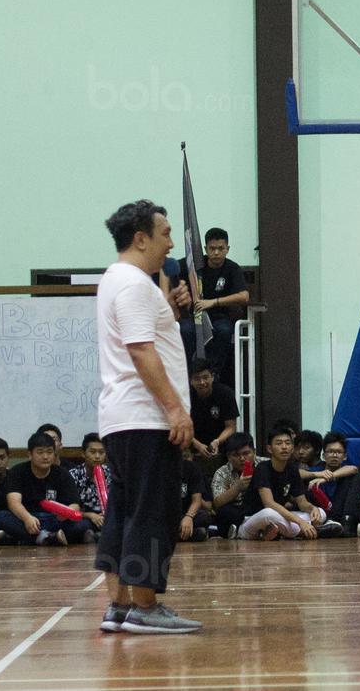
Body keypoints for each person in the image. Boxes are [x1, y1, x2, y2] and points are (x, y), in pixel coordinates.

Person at [93, 199, 200, 634]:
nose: (171, 242)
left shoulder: (118, 280)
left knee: (123, 511)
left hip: (123, 420)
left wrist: (170, 308)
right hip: (146, 419)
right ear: (141, 238)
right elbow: (140, 349)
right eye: (164, 233)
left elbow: (146, 335)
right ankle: (145, 606)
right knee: (152, 512)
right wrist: (175, 408)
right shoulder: (133, 285)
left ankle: (118, 606)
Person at [238, 427, 340, 540]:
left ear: (292, 448)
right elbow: (269, 504)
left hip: (280, 517)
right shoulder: (262, 468)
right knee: (269, 514)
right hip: (253, 520)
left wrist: (312, 509)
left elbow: (302, 502)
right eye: (279, 443)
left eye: (288, 443)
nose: (284, 447)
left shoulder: (292, 469)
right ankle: (312, 531)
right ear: (269, 448)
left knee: (320, 513)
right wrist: (301, 522)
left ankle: (279, 533)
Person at [0, 432, 93, 546]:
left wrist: (67, 512)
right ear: (30, 454)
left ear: (54, 453)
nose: (45, 457)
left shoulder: (62, 474)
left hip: (54, 519)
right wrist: (27, 518)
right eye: (40, 452)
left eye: (49, 452)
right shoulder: (17, 471)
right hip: (26, 518)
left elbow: (74, 504)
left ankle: (21, 539)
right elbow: (13, 503)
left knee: (83, 524)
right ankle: (50, 538)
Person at [179, 227, 249, 380]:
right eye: (212, 248)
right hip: (193, 315)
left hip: (218, 316)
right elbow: (168, 269)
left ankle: (213, 373)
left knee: (224, 330)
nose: (216, 253)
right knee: (185, 330)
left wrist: (213, 302)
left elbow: (244, 296)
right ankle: (189, 373)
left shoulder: (232, 268)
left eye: (220, 248)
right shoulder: (194, 264)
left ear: (227, 249)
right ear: (205, 249)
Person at [188, 357, 238, 479]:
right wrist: (197, 444)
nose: (202, 382)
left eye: (205, 377)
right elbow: (179, 425)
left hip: (219, 441)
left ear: (212, 377)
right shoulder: (184, 395)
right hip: (192, 441)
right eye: (197, 379)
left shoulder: (225, 394)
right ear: (190, 381)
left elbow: (231, 427)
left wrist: (217, 442)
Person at [305, 430, 360, 531]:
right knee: (309, 483)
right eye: (331, 451)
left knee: (354, 479)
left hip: (340, 513)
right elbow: (297, 473)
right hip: (319, 512)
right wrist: (317, 475)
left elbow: (354, 469)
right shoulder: (317, 470)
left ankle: (341, 522)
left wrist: (326, 478)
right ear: (324, 455)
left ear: (345, 456)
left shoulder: (347, 471)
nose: (334, 455)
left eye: (338, 452)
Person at [210, 432, 262, 539]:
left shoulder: (264, 465)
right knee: (224, 512)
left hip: (258, 508)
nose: (242, 458)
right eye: (236, 455)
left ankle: (243, 531)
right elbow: (217, 502)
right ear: (228, 456)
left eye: (246, 453)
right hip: (236, 512)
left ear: (254, 452)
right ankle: (254, 530)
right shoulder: (222, 472)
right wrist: (238, 487)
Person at [67, 433, 111, 535]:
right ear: (83, 453)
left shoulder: (111, 474)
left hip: (107, 518)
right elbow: (69, 509)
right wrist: (90, 515)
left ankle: (97, 536)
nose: (97, 456)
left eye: (101, 452)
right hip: (84, 518)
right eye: (92, 452)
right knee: (76, 527)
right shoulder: (73, 475)